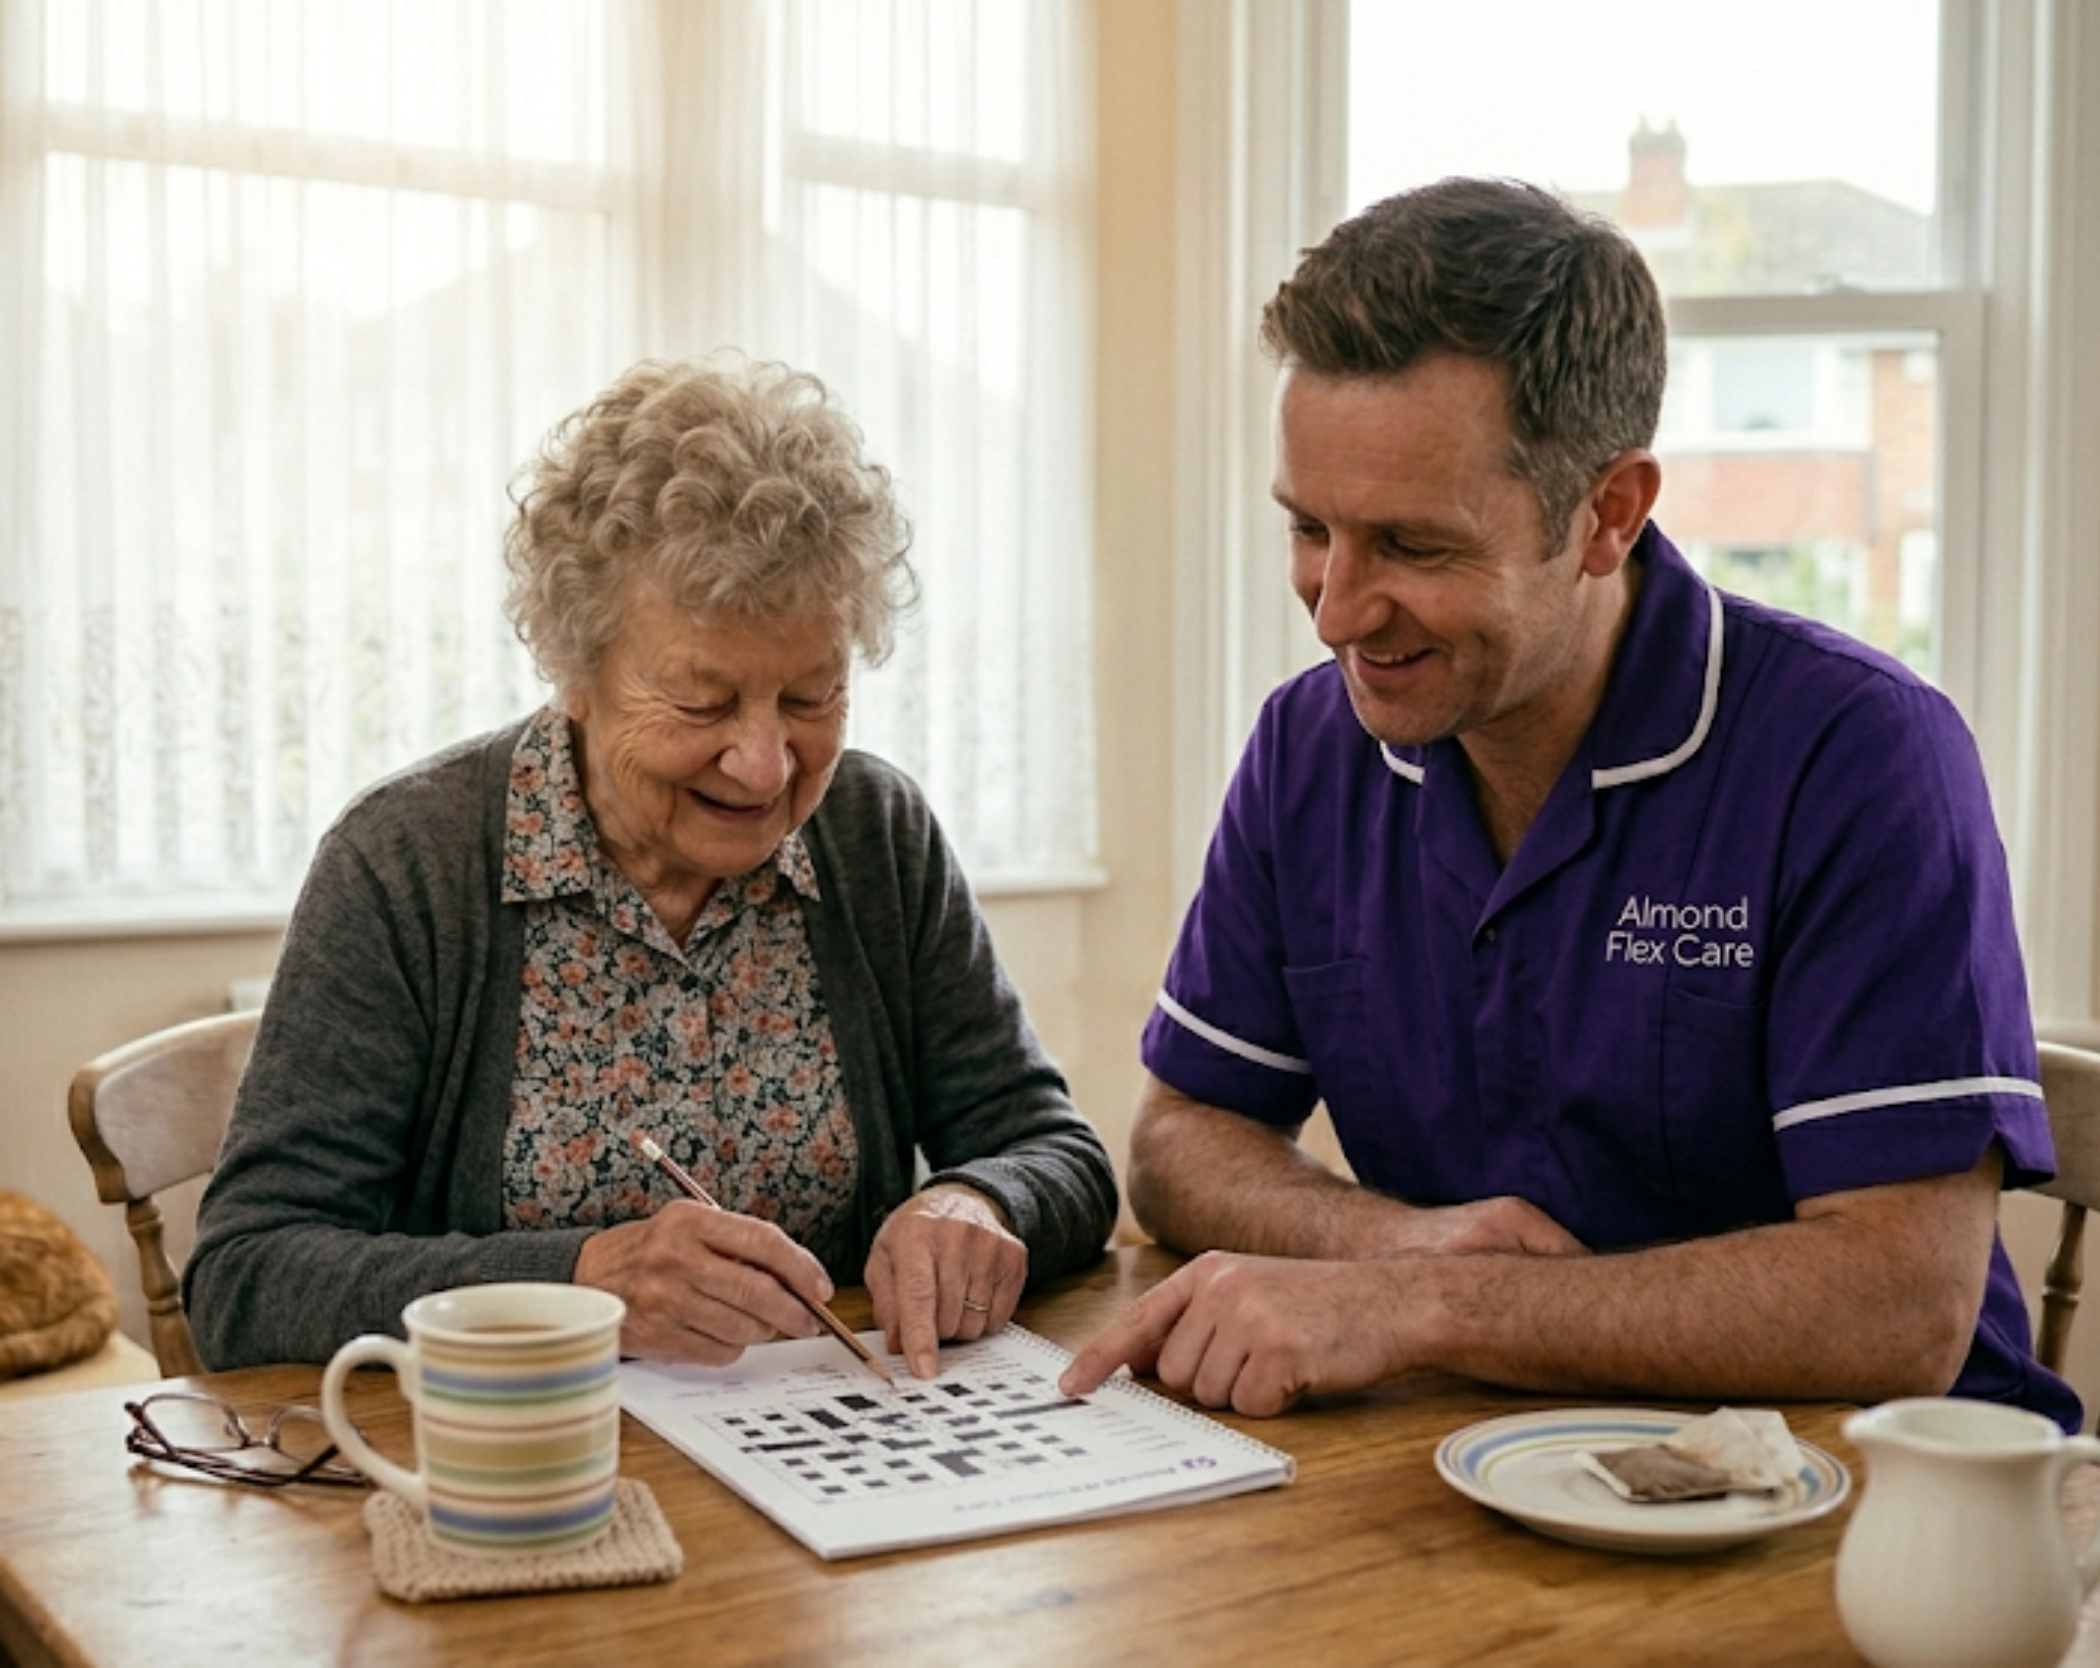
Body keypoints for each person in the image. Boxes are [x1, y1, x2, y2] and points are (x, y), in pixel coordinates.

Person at [1060, 176, 2079, 1430]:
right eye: (1310, 527)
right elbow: (1178, 1139)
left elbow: (1902, 1304)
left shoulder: (1863, 755)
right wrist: (1401, 1249)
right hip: (1482, 1467)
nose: (1333, 611)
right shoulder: (1308, 746)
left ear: (1608, 513)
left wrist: (1430, 1309)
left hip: (1867, 1511)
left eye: (1413, 546)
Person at [189, 355, 1117, 1377]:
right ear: (575, 670)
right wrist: (579, 1283)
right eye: (704, 701)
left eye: (811, 697)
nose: (765, 764)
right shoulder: (407, 865)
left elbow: (1058, 1155)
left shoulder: (874, 835)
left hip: (829, 1480)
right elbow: (248, 1276)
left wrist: (976, 1199)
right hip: (529, 1486)